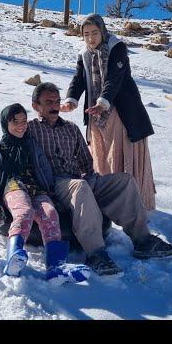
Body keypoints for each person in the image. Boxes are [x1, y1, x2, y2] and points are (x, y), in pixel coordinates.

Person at [28, 82, 172, 276]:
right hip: (54, 183)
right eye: (48, 102)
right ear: (36, 106)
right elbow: (9, 151)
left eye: (57, 101)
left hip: (78, 178)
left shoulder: (71, 128)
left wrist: (96, 183)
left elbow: (85, 160)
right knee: (80, 187)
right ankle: (95, 253)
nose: (55, 106)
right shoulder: (29, 130)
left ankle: (143, 240)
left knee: (124, 181)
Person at [0, 103, 90, 284]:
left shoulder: (31, 145)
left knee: (50, 214)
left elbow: (44, 167)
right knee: (24, 212)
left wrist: (53, 191)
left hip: (37, 188)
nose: (21, 125)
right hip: (13, 186)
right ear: (5, 123)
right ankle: (14, 257)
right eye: (16, 122)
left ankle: (56, 267)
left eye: (24, 121)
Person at [61, 13, 156, 210]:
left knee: (121, 152)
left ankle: (131, 202)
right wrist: (71, 100)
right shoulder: (84, 54)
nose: (91, 38)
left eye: (95, 33)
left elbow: (115, 78)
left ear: (103, 31)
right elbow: (78, 80)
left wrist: (103, 102)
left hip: (121, 111)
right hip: (96, 113)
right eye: (86, 34)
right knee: (102, 155)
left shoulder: (117, 48)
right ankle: (108, 199)